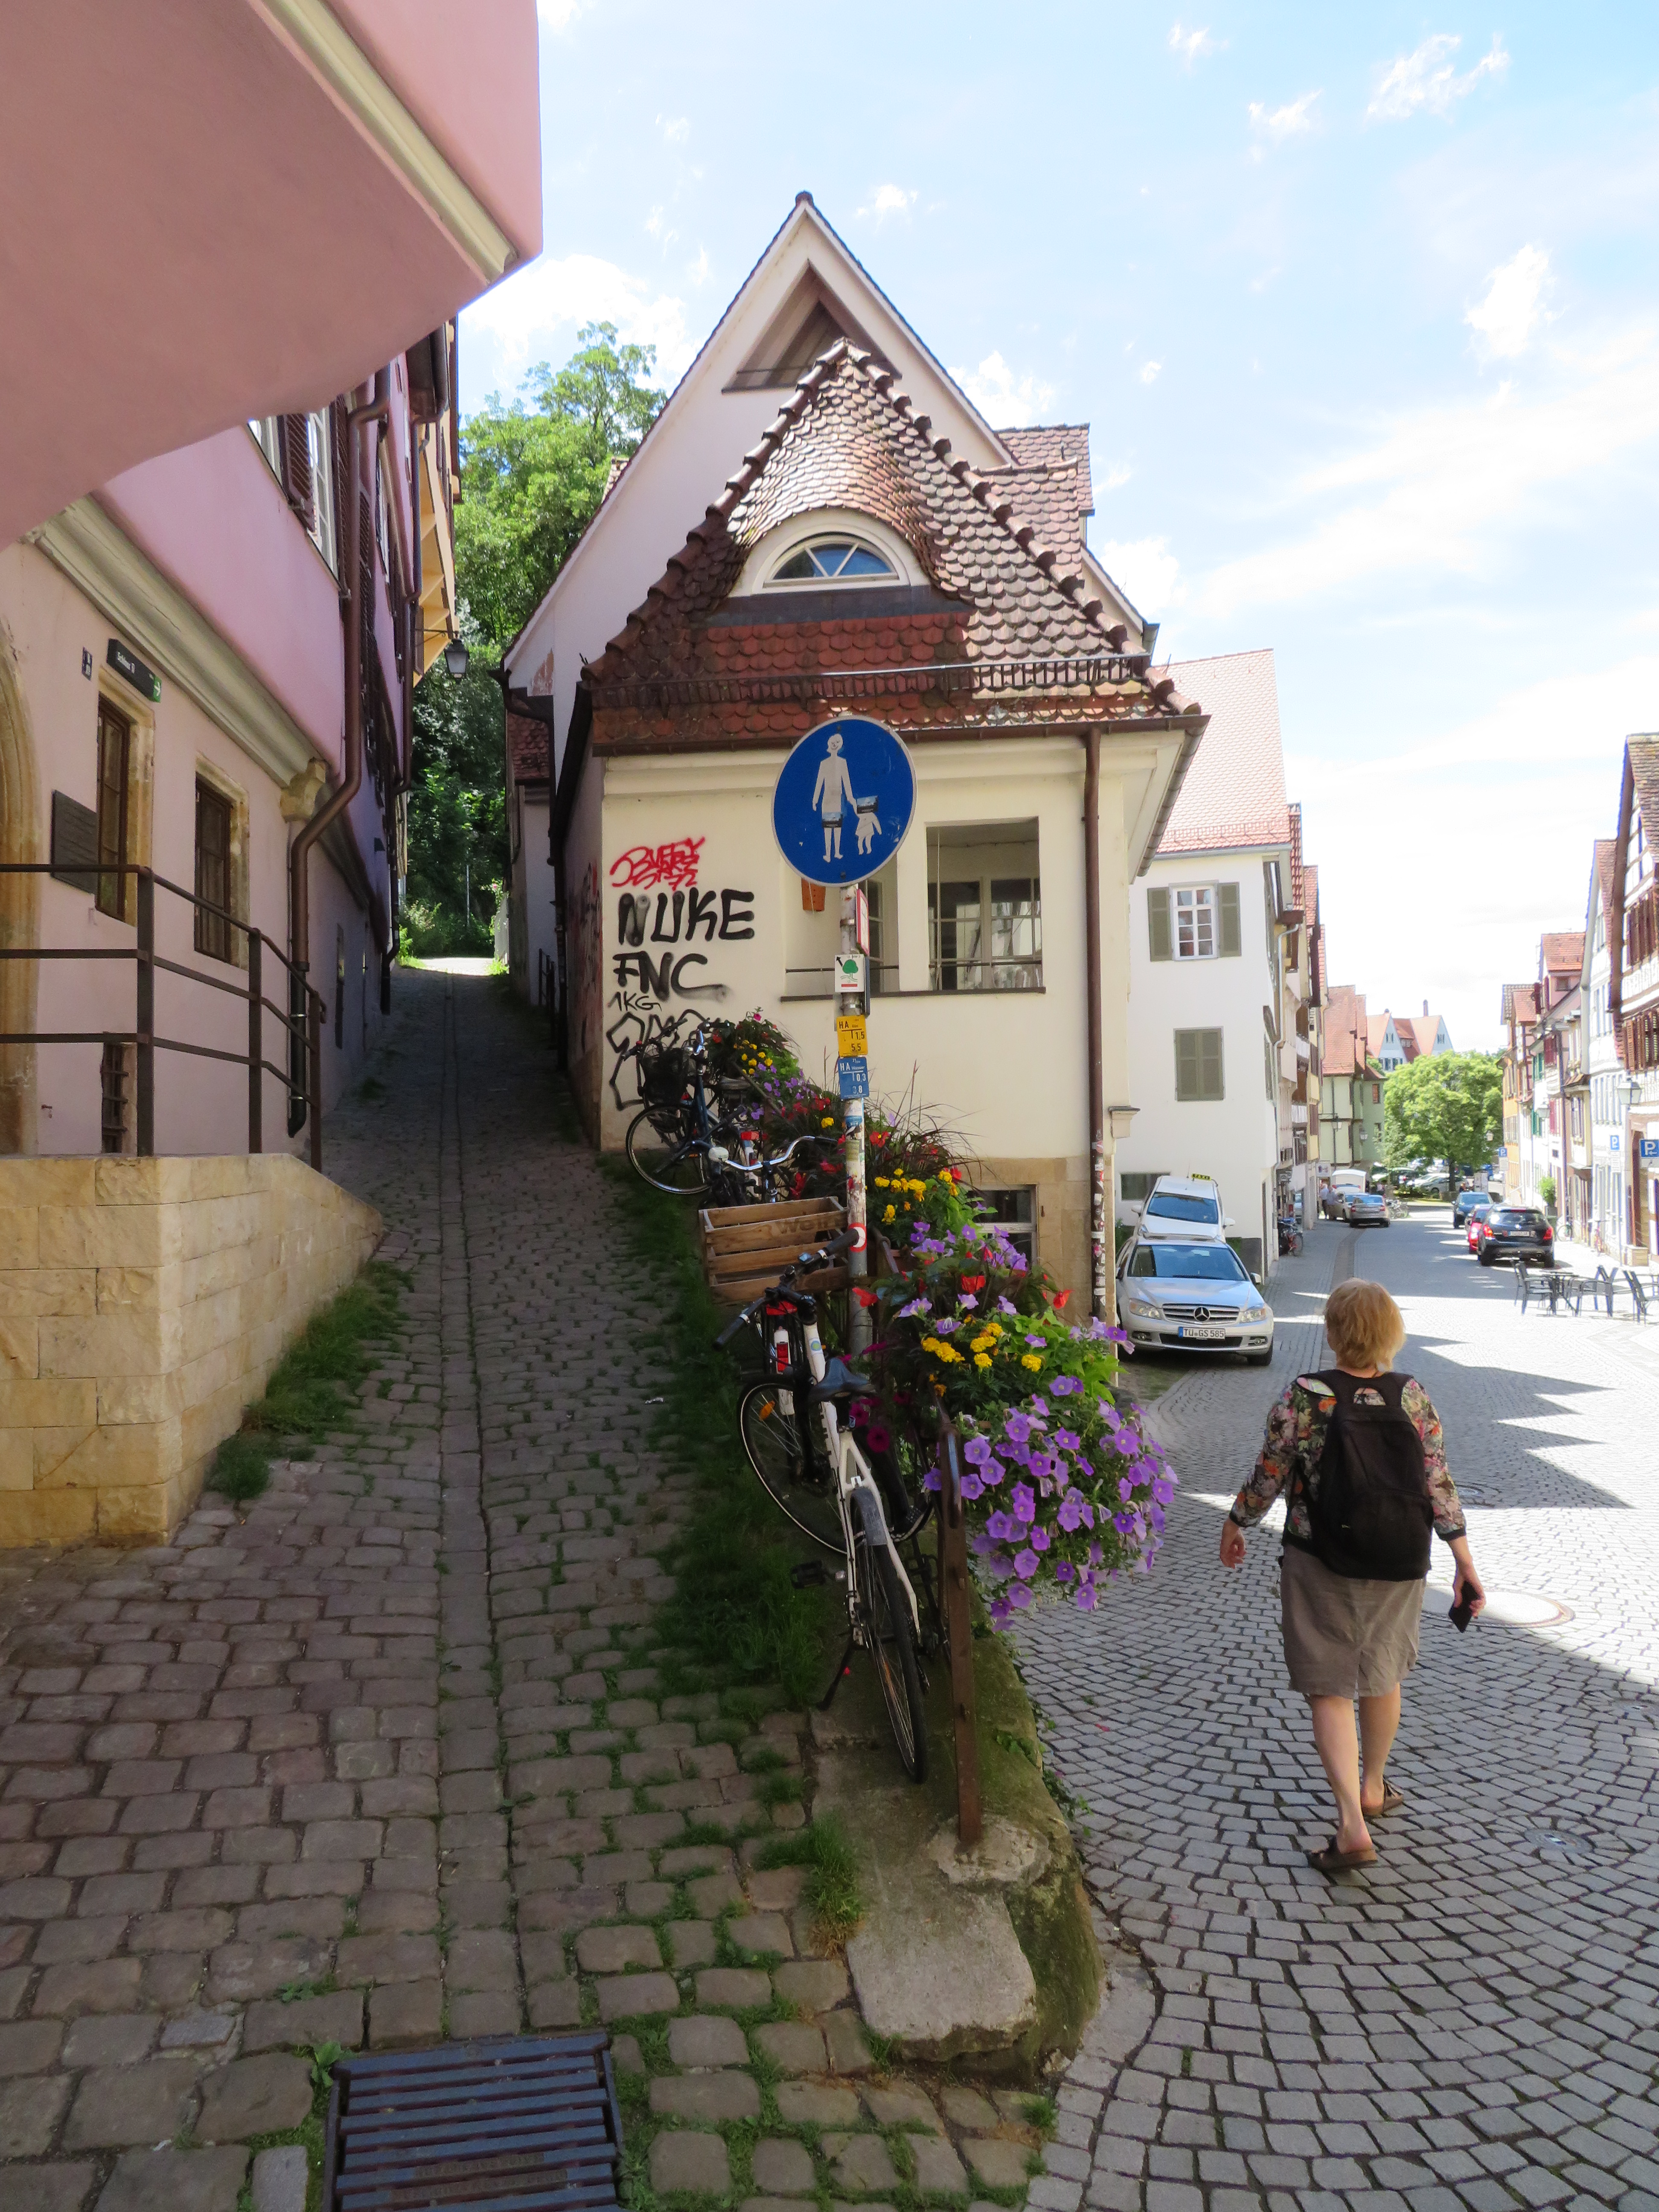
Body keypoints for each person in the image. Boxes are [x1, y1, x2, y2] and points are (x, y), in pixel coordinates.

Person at [1219, 1277, 1485, 1874]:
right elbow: (1438, 1482)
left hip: (1321, 1557)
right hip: (1399, 1557)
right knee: (1383, 1673)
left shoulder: (1306, 1396)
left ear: (1334, 1332)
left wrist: (1237, 1522)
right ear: (1390, 1331)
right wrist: (1464, 1561)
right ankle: (1372, 1786)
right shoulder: (1412, 1396)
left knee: (1331, 1686)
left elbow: (1269, 1473)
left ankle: (1351, 1827)